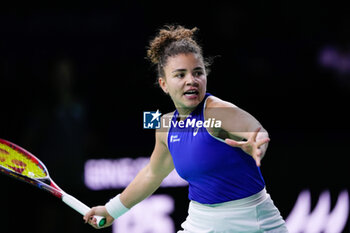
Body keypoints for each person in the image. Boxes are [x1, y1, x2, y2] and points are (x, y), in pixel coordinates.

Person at [84, 25, 288, 232]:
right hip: (201, 221)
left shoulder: (216, 112)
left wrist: (257, 145)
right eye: (180, 75)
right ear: (164, 84)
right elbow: (152, 174)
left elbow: (254, 130)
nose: (191, 80)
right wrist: (111, 210)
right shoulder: (165, 126)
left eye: (197, 72)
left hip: (251, 221)